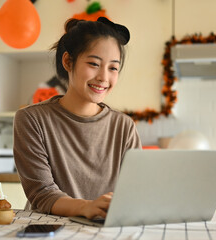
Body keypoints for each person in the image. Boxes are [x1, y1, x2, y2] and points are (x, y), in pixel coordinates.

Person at [13, 17, 142, 220]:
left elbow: (135, 192)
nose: (103, 77)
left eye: (113, 68)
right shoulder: (31, 120)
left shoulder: (124, 126)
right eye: (93, 63)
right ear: (67, 61)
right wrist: (86, 207)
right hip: (50, 231)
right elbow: (42, 193)